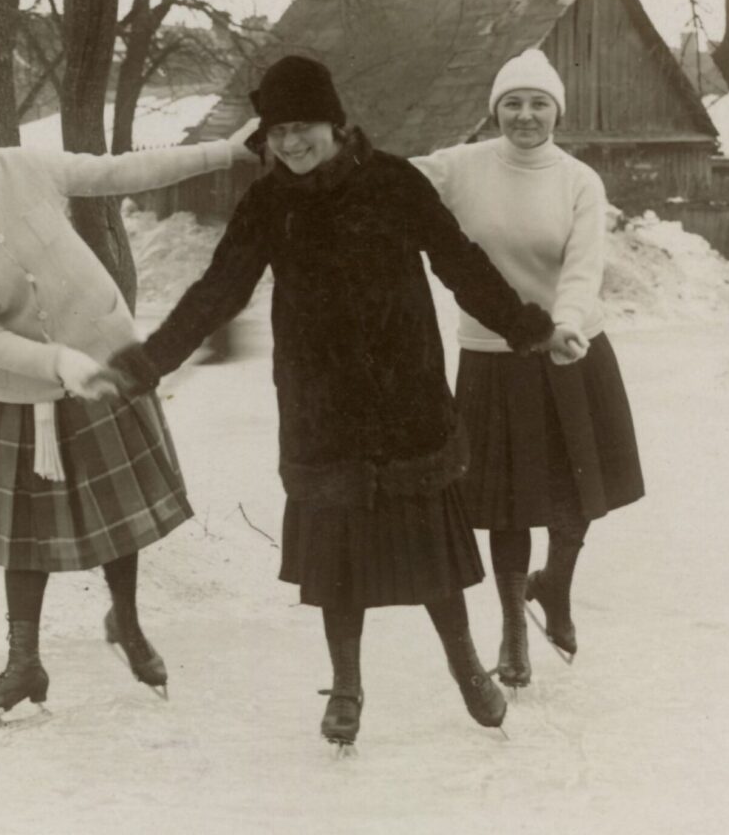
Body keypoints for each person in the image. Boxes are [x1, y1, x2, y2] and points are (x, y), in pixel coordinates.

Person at [104, 56, 581, 749]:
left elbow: (459, 261)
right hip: (318, 401)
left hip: (404, 395)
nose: (290, 144)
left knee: (431, 557)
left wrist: (526, 327)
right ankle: (347, 686)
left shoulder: (393, 181)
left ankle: (466, 667)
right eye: (277, 133)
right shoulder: (269, 201)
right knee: (337, 561)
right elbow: (220, 287)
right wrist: (150, 361)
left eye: (302, 128)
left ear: (334, 123)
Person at [0, 79, 258, 730]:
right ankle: (23, 661)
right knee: (23, 538)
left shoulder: (26, 167)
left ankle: (125, 619)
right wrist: (51, 363)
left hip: (104, 357)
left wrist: (223, 153)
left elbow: (122, 171)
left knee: (117, 512)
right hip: (22, 390)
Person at [410, 48, 645, 689]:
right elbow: (388, 184)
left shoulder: (578, 180)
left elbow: (584, 265)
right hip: (493, 357)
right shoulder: (459, 167)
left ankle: (555, 586)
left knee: (578, 498)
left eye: (538, 102)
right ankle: (514, 630)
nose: (525, 114)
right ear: (495, 110)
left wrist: (565, 321)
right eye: (512, 102)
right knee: (508, 506)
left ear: (556, 112)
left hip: (569, 347)